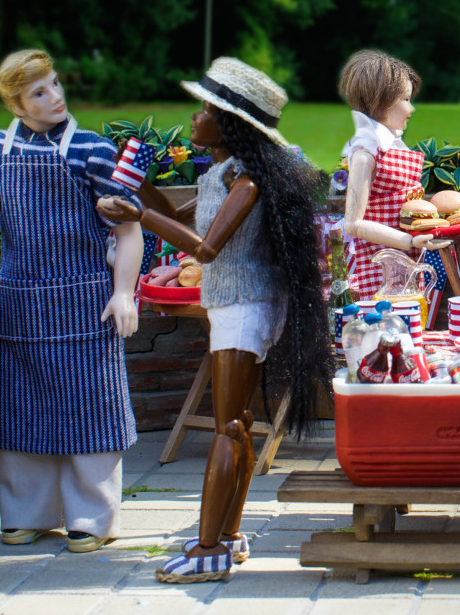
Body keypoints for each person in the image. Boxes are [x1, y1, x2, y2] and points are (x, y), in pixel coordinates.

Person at [98, 58, 332, 583]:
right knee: (238, 424)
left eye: (205, 109)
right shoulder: (218, 175)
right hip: (233, 306)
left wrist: (139, 216)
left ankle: (208, 551)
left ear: (230, 124)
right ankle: (227, 536)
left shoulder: (247, 181)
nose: (195, 117)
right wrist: (138, 184)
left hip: (245, 307)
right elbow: (176, 219)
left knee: (228, 425)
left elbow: (205, 248)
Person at [0, 49, 143, 554]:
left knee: (92, 409)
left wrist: (123, 292)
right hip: (21, 304)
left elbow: (128, 228)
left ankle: (92, 518)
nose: (55, 97)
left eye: (55, 84)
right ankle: (25, 514)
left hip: (86, 303)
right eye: (39, 92)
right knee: (23, 410)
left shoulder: (90, 149)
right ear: (17, 104)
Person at [338, 50, 437, 300]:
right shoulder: (366, 152)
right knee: (384, 312)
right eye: (405, 99)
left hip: (406, 256)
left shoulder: (389, 145)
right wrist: (408, 240)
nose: (411, 108)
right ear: (382, 100)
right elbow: (353, 223)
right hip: (379, 261)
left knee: (410, 309)